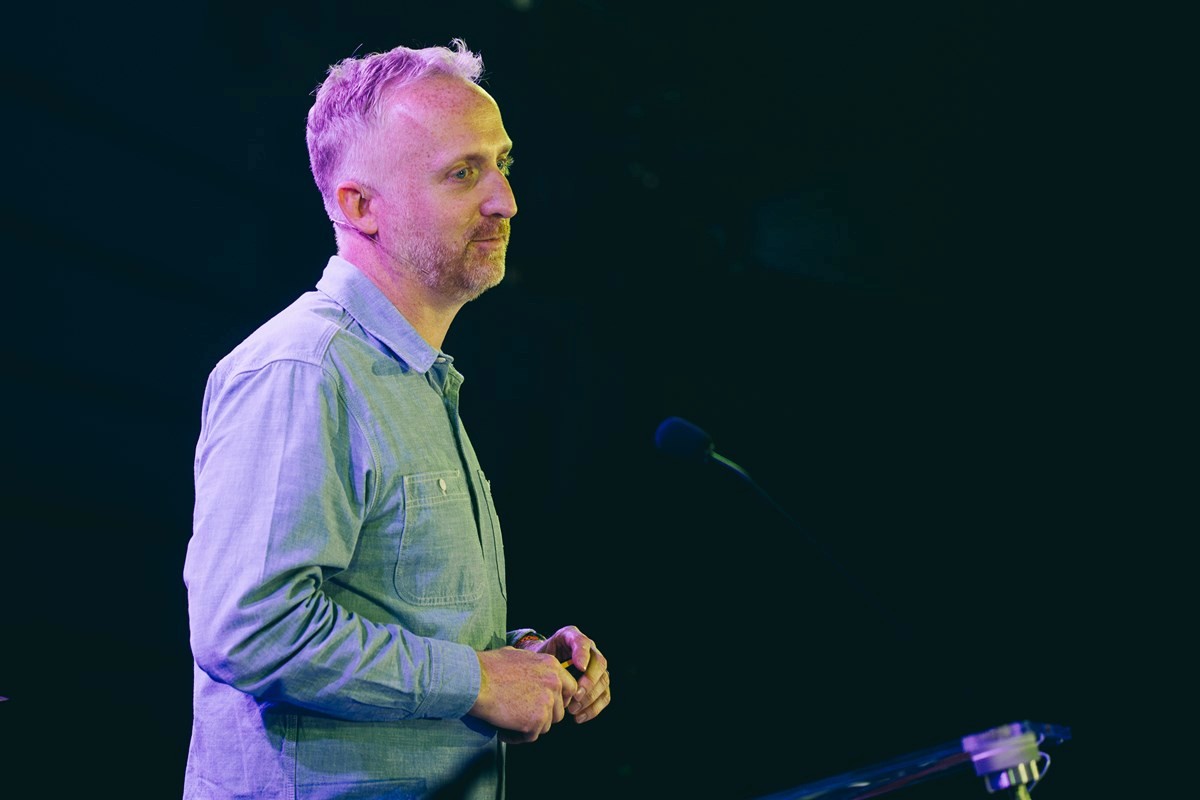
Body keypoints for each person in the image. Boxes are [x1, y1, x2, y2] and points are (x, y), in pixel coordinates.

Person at [182, 39, 611, 800]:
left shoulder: (411, 380)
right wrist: (473, 678)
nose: (504, 200)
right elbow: (250, 628)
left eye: (502, 163)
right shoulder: (306, 369)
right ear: (359, 206)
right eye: (462, 172)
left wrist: (518, 660)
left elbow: (385, 611)